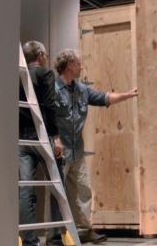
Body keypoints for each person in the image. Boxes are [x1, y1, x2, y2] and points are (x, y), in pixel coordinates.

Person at [48, 49, 138, 244]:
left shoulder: (81, 89)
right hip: (59, 151)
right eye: (79, 63)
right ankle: (55, 235)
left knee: (83, 190)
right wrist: (55, 140)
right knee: (58, 194)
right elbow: (47, 117)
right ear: (70, 65)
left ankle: (84, 230)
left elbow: (103, 98)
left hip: (77, 151)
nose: (81, 66)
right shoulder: (52, 88)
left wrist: (128, 95)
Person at [19, 41, 64, 246]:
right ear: (40, 55)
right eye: (45, 54)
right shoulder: (44, 74)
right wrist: (55, 137)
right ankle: (55, 237)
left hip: (21, 138)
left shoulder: (17, 74)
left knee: (26, 189)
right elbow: (48, 106)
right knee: (56, 187)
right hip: (41, 136)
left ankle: (29, 241)